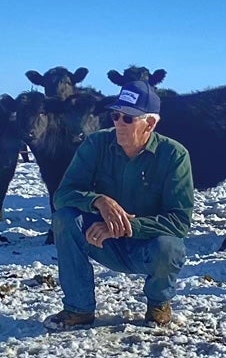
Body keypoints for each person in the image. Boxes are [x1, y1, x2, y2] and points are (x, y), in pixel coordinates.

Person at [46, 79, 193, 328]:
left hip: (147, 246)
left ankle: (158, 303)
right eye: (115, 116)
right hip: (101, 240)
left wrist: (127, 226)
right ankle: (78, 308)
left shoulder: (175, 156)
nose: (119, 124)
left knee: (170, 247)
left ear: (151, 123)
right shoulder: (96, 144)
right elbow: (62, 196)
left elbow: (179, 222)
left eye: (128, 119)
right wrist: (98, 201)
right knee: (64, 219)